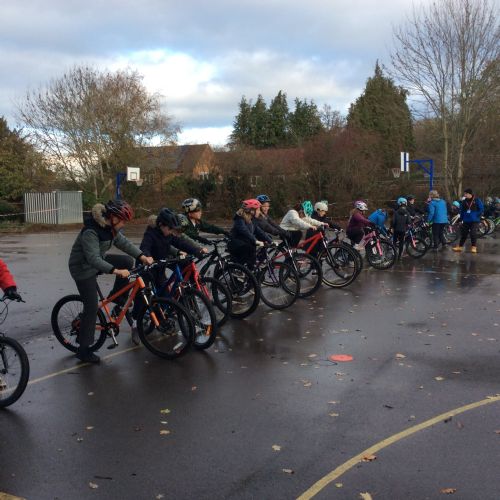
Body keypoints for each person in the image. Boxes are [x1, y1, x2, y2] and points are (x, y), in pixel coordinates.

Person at [68, 200, 153, 363]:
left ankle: (118, 297)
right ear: (113, 218)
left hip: (97, 261)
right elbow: (92, 259)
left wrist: (142, 256)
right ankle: (83, 350)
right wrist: (116, 271)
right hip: (82, 268)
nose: (123, 224)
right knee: (91, 306)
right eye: (122, 221)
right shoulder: (91, 231)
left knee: (127, 261)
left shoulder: (111, 229)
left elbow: (124, 243)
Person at [130, 208, 206, 344]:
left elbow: (180, 242)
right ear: (161, 225)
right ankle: (135, 325)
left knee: (165, 297)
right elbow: (145, 246)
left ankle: (161, 318)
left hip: (159, 267)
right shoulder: (151, 233)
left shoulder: (168, 234)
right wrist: (147, 256)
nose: (171, 231)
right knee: (142, 296)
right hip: (146, 267)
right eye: (170, 228)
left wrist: (196, 250)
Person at [228, 199, 272, 269]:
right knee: (250, 249)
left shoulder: (252, 219)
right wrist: (255, 240)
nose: (259, 211)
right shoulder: (239, 218)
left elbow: (259, 231)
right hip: (236, 243)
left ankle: (251, 269)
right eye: (258, 210)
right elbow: (245, 231)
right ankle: (239, 269)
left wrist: (270, 241)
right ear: (252, 210)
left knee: (257, 249)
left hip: (246, 242)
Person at [452, 188, 484, 253]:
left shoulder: (477, 200)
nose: (465, 195)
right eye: (464, 194)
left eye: (466, 194)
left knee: (473, 233)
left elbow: (481, 209)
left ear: (470, 194)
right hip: (466, 220)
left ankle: (473, 247)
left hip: (474, 220)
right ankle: (460, 247)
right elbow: (462, 211)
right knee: (464, 234)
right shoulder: (464, 201)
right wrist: (460, 219)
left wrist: (476, 214)